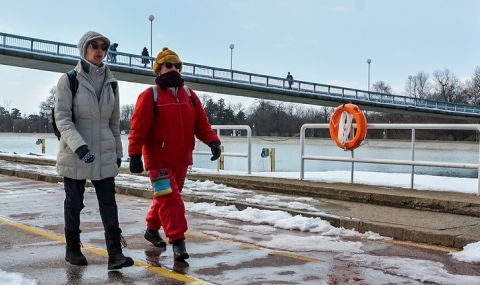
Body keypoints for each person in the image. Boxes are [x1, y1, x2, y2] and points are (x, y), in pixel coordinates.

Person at [128, 47, 221, 261]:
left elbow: (201, 124)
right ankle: (178, 241)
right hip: (158, 162)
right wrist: (134, 154)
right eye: (168, 65)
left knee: (164, 197)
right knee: (171, 200)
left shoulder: (189, 95)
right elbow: (138, 128)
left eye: (176, 66)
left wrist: (213, 141)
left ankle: (151, 229)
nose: (173, 69)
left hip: (181, 160)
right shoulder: (149, 96)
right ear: (158, 70)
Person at [54, 31, 133, 270]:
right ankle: (73, 249)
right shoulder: (68, 80)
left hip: (105, 151)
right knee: (74, 203)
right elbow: (63, 118)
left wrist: (118, 151)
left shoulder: (113, 83)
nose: (100, 50)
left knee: (109, 203)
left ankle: (115, 255)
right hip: (75, 151)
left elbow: (114, 123)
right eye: (94, 46)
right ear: (84, 49)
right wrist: (80, 147)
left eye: (104, 47)